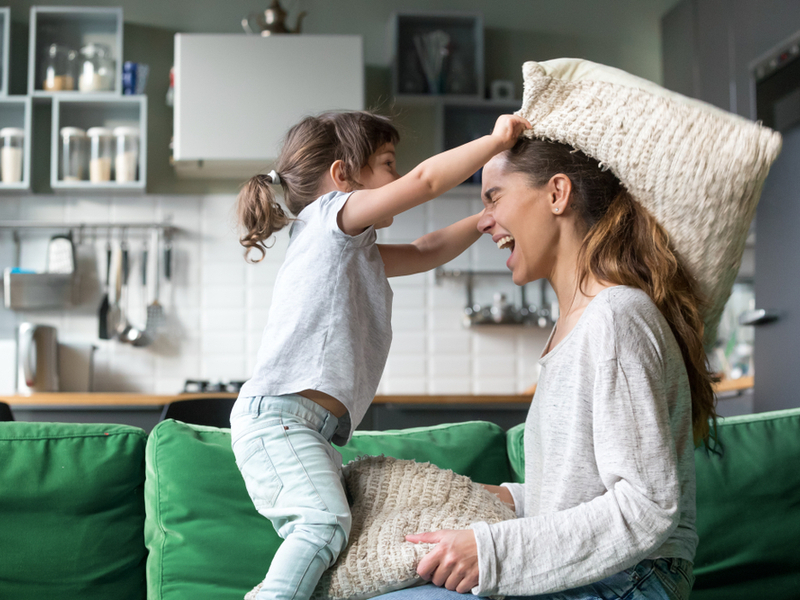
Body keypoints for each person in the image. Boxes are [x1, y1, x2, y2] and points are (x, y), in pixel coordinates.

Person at [379, 137, 718, 600]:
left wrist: (491, 551)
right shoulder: (576, 325)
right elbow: (571, 497)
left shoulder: (616, 316)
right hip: (607, 572)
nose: (483, 221)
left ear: (558, 194)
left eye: (494, 197)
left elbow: (646, 507)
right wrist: (457, 498)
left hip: (634, 579)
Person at [230, 110, 532, 600]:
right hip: (281, 420)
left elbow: (426, 249)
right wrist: (495, 141)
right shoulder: (330, 218)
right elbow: (425, 181)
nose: (398, 174)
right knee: (321, 526)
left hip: (301, 425)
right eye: (388, 163)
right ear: (342, 176)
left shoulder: (352, 248)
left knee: (327, 536)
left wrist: (484, 220)